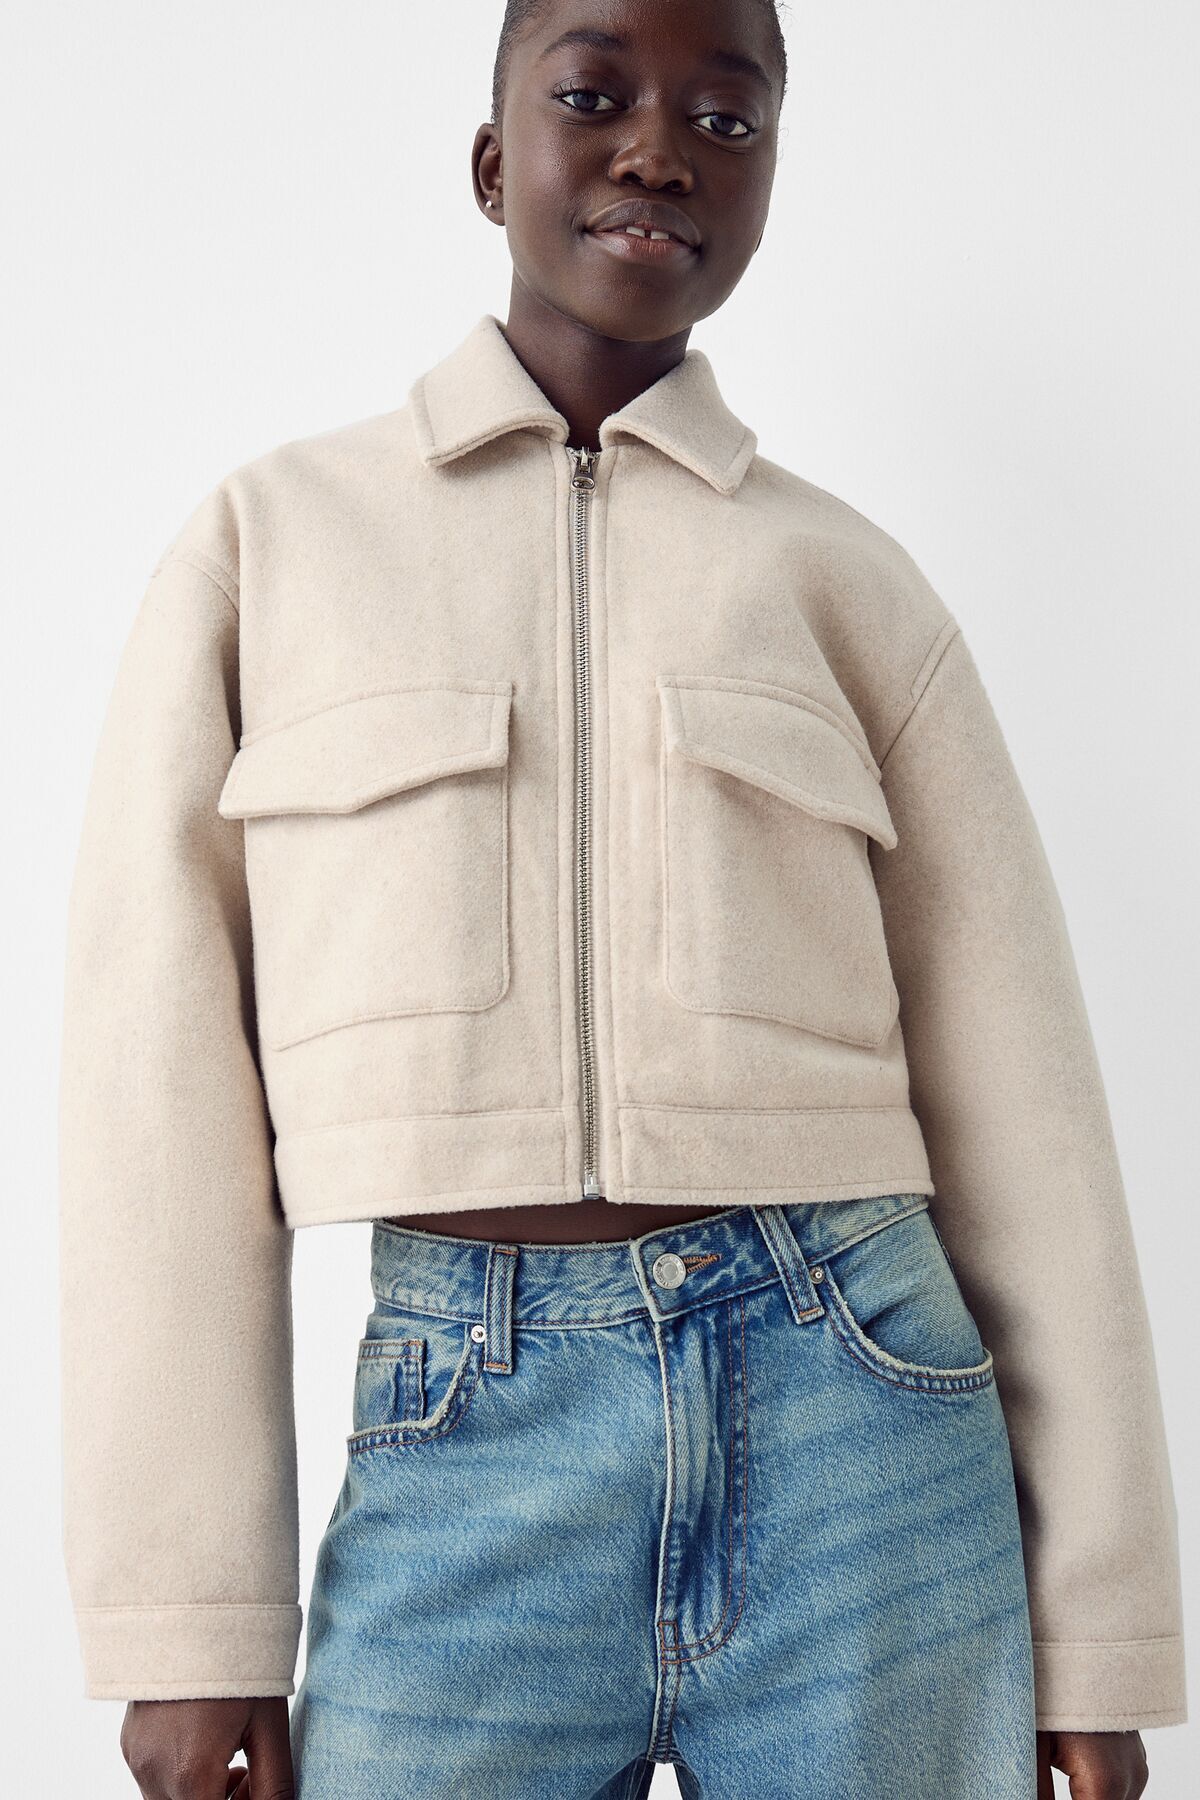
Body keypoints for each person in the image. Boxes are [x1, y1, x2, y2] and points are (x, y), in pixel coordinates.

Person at [58, 2, 1186, 1796]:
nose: (660, 150)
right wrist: (189, 1621)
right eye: (594, 96)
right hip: (462, 1430)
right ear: (490, 159)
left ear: (770, 186)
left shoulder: (846, 585)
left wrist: (1100, 1632)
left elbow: (1028, 1106)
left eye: (727, 121)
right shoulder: (271, 549)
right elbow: (154, 1098)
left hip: (862, 1417)